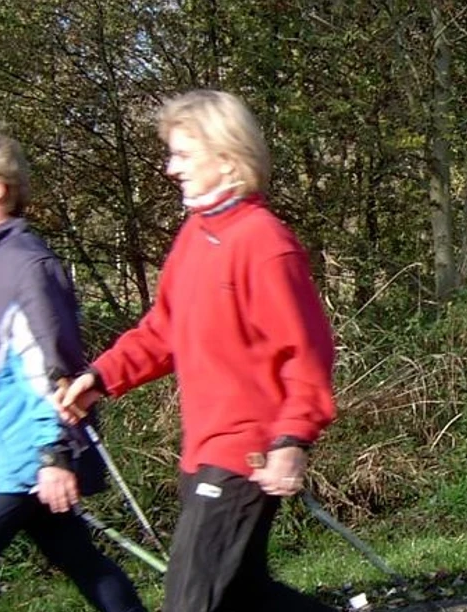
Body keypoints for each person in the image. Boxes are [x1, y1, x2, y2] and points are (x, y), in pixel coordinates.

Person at [56, 90, 337, 612]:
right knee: (246, 596)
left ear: (228, 159)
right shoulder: (195, 235)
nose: (170, 168)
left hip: (243, 454)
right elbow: (163, 328)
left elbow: (308, 351)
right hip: (202, 449)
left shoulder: (263, 241)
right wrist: (100, 377)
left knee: (190, 601)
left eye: (183, 154)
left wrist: (293, 437)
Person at [0, 126, 147, 612]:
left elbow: (55, 369)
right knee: (81, 561)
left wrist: (56, 456)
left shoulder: (27, 267)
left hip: (16, 461)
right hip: (2, 458)